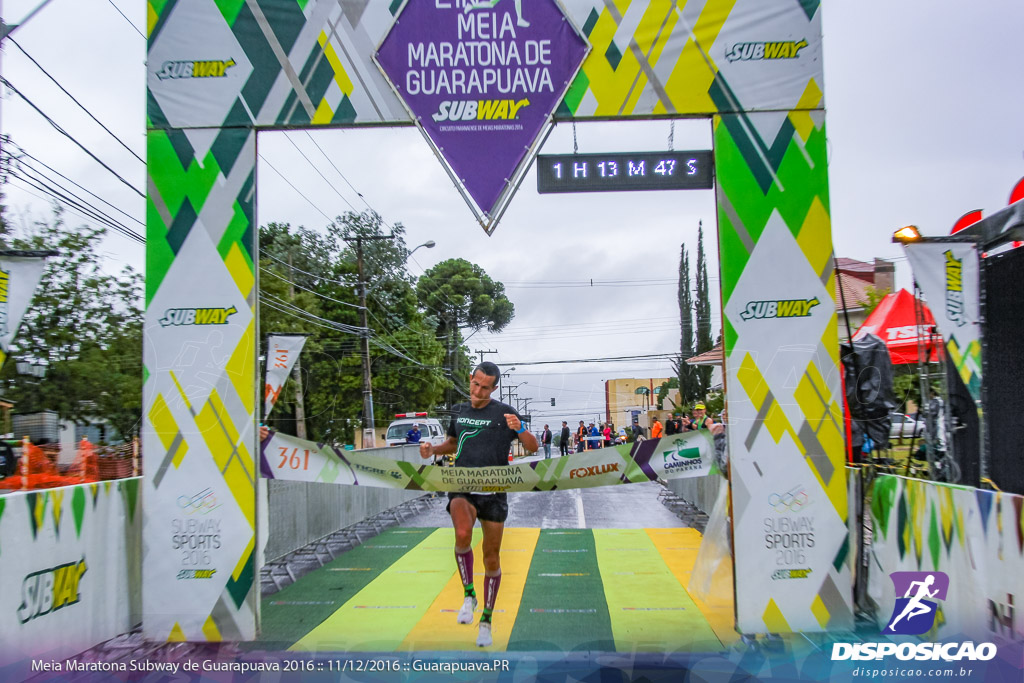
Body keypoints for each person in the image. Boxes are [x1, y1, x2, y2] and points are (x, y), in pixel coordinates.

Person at [419, 362, 538, 647]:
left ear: (494, 388)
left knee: (491, 557)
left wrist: (520, 428)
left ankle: (486, 619)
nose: (478, 391)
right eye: (475, 384)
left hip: (495, 491)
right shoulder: (459, 411)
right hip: (462, 485)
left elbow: (532, 447)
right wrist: (432, 449)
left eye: (485, 387)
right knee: (462, 534)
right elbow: (452, 442)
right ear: (471, 380)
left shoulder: (505, 412)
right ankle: (469, 595)